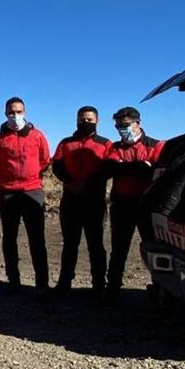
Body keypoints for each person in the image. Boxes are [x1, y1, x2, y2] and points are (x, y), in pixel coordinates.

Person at [0, 97, 52, 300]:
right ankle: (13, 281)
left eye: (19, 111)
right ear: (5, 113)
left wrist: (31, 177)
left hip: (32, 191)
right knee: (9, 238)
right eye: (11, 112)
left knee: (37, 239)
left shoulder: (37, 136)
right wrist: (9, 179)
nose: (15, 116)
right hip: (8, 193)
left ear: (25, 111)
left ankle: (42, 283)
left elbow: (44, 160)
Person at [104, 107, 165, 304]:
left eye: (125, 125)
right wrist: (139, 166)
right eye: (118, 126)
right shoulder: (114, 148)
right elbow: (112, 168)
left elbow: (155, 173)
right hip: (122, 203)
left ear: (137, 123)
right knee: (119, 247)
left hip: (147, 205)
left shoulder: (156, 145)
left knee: (154, 247)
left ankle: (161, 288)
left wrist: (126, 168)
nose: (121, 129)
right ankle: (113, 287)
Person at [51, 106, 113, 295]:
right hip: (71, 199)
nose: (85, 122)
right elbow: (57, 166)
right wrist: (71, 183)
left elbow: (109, 168)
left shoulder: (106, 144)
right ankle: (65, 281)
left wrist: (89, 184)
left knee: (96, 244)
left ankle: (98, 283)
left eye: (89, 119)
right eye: (82, 119)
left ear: (97, 121)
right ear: (76, 120)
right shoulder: (66, 143)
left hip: (94, 200)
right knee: (70, 243)